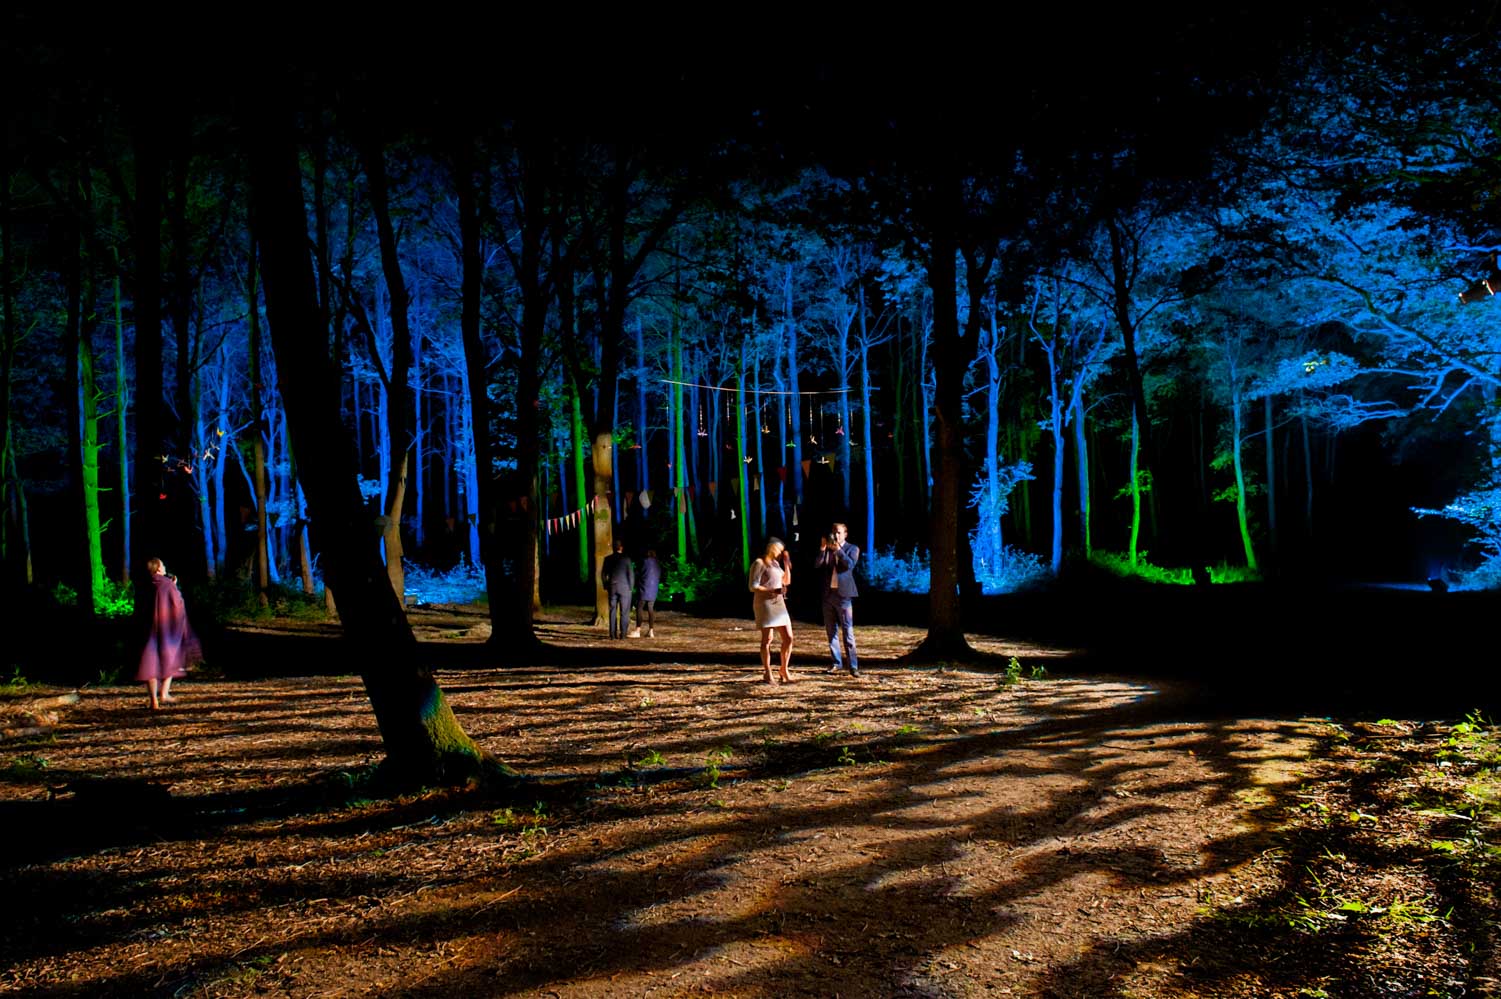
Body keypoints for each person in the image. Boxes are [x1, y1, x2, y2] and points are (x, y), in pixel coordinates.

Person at [135, 558, 200, 709]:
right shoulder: (167, 584)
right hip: (166, 629)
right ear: (158, 569)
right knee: (171, 659)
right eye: (163, 565)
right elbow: (177, 604)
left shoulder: (144, 585)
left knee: (150, 664)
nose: (164, 567)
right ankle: (164, 693)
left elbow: (139, 607)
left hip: (148, 630)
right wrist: (174, 587)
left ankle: (154, 701)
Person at [815, 521, 860, 676]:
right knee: (831, 631)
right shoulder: (827, 549)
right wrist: (822, 549)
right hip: (828, 595)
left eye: (839, 532)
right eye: (834, 532)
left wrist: (838, 550)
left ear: (845, 534)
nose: (836, 535)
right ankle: (836, 663)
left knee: (848, 631)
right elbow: (817, 565)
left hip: (844, 596)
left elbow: (850, 565)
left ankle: (853, 665)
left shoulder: (852, 548)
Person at [749, 537, 794, 683]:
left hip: (779, 603)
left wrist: (787, 565)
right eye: (778, 549)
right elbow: (753, 586)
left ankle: (784, 669)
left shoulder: (776, 564)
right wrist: (772, 590)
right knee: (767, 639)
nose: (779, 552)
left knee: (788, 637)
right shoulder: (759, 563)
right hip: (765, 604)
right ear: (771, 547)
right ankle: (767, 672)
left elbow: (786, 581)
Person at [601, 540, 635, 639]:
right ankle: (623, 634)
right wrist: (631, 587)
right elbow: (631, 574)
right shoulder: (626, 559)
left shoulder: (608, 559)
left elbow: (603, 574)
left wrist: (605, 585)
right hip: (625, 588)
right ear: (621, 548)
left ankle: (612, 634)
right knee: (624, 612)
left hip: (612, 587)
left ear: (613, 548)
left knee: (612, 610)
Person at [635, 549, 662, 637]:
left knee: (639, 608)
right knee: (651, 609)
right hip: (653, 588)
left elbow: (638, 573)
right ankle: (651, 631)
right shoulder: (657, 563)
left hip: (644, 587)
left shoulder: (644, 561)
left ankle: (638, 630)